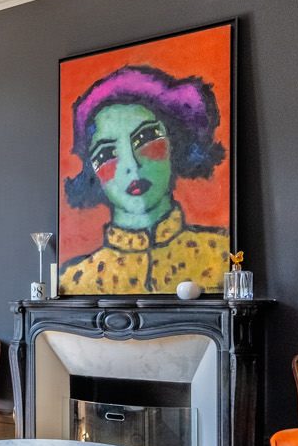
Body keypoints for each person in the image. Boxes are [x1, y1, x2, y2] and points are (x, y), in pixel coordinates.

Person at [57, 63, 233, 294]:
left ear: (175, 142)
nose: (132, 165)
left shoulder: (223, 256)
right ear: (92, 174)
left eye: (146, 137)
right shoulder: (73, 282)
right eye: (107, 154)